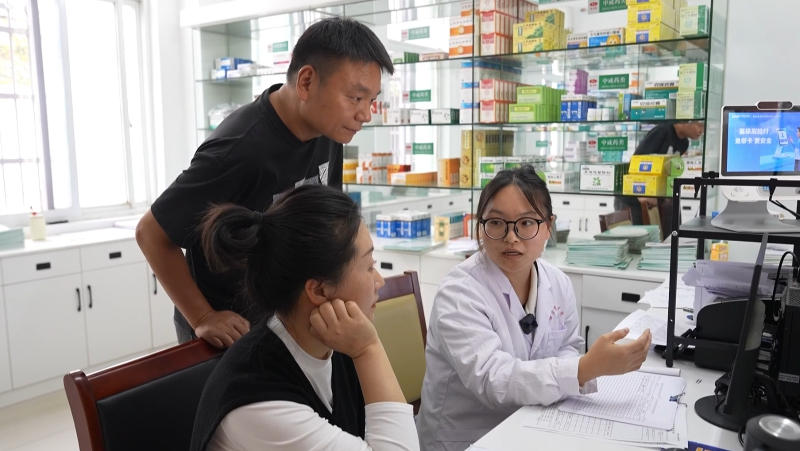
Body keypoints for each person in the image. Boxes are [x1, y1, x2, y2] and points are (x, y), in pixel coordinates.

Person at [135, 17, 394, 348]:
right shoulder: (239, 151)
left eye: (371, 100)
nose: (366, 114)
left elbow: (326, 227)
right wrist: (202, 317)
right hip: (231, 330)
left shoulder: (329, 130)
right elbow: (151, 233)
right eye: (356, 98)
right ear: (306, 82)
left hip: (285, 319)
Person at [416, 166, 652, 451]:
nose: (511, 237)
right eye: (496, 222)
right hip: (468, 439)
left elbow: (567, 346)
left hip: (534, 422)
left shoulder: (557, 282)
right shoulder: (459, 293)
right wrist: (584, 368)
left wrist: (579, 368)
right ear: (481, 226)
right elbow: (494, 380)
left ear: (548, 226)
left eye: (526, 222)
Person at [189, 184, 419, 451]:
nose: (379, 281)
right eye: (369, 267)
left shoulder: (337, 340)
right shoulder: (261, 404)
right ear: (319, 290)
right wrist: (369, 349)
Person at [615, 121, 704, 237]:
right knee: (638, 240)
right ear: (684, 121)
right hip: (634, 195)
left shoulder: (684, 143)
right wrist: (642, 193)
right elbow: (636, 163)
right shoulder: (662, 131)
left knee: (664, 236)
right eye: (700, 125)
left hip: (655, 199)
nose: (702, 130)